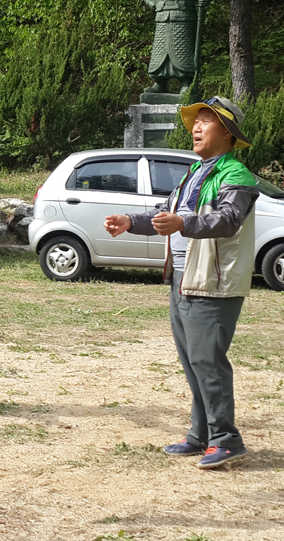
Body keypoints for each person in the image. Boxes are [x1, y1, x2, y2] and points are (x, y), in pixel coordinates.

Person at [105, 96, 256, 469]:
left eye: (206, 120)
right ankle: (200, 435)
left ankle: (226, 439)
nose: (196, 127)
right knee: (193, 361)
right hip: (184, 279)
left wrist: (184, 224)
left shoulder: (234, 175)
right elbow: (166, 216)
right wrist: (130, 222)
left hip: (213, 282)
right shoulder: (194, 173)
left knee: (208, 359)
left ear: (227, 132)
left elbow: (228, 220)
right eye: (196, 121)